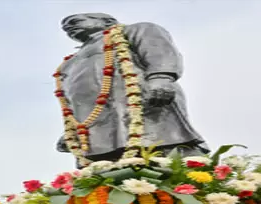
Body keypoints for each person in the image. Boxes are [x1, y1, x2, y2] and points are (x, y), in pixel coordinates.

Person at [55, 13, 209, 164]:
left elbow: (159, 52)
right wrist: (72, 131)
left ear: (107, 21)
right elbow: (71, 98)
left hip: (141, 101)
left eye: (75, 21)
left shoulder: (134, 30)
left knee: (165, 147)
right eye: (65, 28)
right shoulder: (70, 62)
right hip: (95, 124)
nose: (68, 27)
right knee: (103, 167)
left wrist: (160, 77)